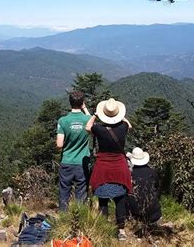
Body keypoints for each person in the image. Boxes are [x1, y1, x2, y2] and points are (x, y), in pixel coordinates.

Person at [86, 98, 132, 241]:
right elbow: (130, 125)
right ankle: (121, 231)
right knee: (120, 200)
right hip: (120, 167)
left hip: (103, 168)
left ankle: (103, 228)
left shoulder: (99, 129)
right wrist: (119, 115)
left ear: (103, 114)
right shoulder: (123, 127)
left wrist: (95, 115)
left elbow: (88, 127)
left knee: (103, 200)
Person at [56, 91, 91, 211]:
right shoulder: (88, 120)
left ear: (70, 102)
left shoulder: (62, 121)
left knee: (64, 193)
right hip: (83, 162)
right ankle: (79, 220)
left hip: (67, 161)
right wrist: (85, 108)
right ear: (82, 103)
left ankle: (63, 220)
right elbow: (92, 121)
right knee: (81, 193)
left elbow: (59, 144)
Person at [126, 147, 161, 229]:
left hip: (135, 211)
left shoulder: (130, 174)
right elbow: (157, 187)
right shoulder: (152, 172)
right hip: (154, 212)